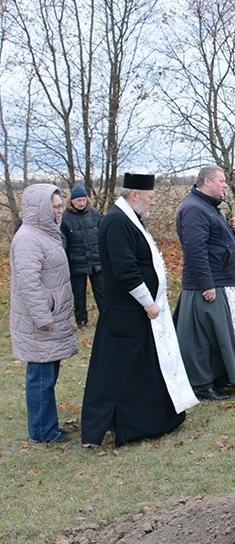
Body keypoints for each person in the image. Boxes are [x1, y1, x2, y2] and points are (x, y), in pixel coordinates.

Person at [81, 174, 196, 446]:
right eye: (151, 197)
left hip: (135, 312)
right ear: (135, 195)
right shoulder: (117, 222)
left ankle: (154, 418)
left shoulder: (129, 218)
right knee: (123, 371)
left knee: (142, 368)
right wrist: (148, 302)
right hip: (127, 312)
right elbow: (126, 269)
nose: (154, 202)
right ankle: (128, 424)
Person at [10, 184, 78, 443]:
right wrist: (44, 318)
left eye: (61, 206)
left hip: (51, 319)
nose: (60, 211)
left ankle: (48, 426)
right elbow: (29, 283)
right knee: (40, 379)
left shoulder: (46, 233)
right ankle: (42, 432)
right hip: (41, 323)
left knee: (47, 377)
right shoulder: (28, 238)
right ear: (40, 208)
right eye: (55, 206)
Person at [175, 166, 235, 401]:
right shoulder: (194, 209)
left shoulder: (208, 207)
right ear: (207, 182)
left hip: (219, 280)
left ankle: (220, 377)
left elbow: (215, 242)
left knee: (220, 335)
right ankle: (201, 384)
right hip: (206, 284)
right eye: (222, 181)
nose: (226, 185)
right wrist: (207, 285)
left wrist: (231, 231)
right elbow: (195, 251)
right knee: (200, 338)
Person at [60, 185, 105, 328]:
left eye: (83, 200)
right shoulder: (65, 217)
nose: (81, 203)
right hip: (76, 263)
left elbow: (103, 236)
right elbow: (62, 240)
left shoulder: (95, 214)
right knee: (79, 295)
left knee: (102, 292)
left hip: (96, 261)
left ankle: (106, 318)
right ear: (71, 201)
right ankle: (81, 321)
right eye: (78, 200)